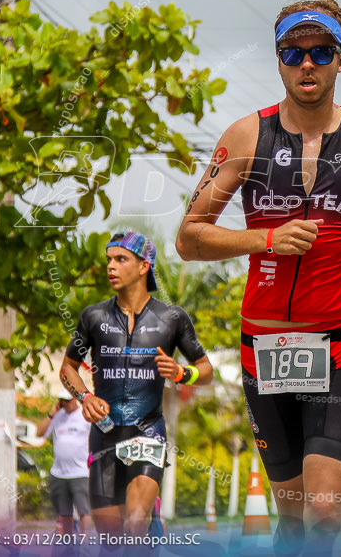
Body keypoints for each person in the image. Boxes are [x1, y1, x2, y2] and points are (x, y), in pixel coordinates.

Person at [175, 0, 341, 554]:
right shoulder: (246, 137)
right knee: (293, 518)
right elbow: (190, 237)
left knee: (326, 512)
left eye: (321, 51)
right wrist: (263, 239)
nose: (307, 64)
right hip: (264, 347)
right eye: (293, 53)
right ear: (278, 62)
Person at [60, 231, 214, 542]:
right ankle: (152, 522)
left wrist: (183, 374)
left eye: (120, 259)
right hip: (104, 433)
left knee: (134, 524)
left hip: (148, 431)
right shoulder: (93, 316)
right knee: (112, 538)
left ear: (144, 267)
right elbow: (68, 368)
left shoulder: (172, 318)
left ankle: (148, 518)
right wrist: (85, 396)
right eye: (108, 260)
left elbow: (206, 370)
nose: (110, 267)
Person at [36, 387, 92, 535]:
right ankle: (68, 546)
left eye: (67, 400)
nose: (64, 403)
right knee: (64, 513)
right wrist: (51, 413)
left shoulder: (84, 416)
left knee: (84, 511)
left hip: (80, 472)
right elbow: (39, 433)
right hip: (59, 473)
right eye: (62, 400)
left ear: (75, 400)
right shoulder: (57, 416)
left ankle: (85, 546)